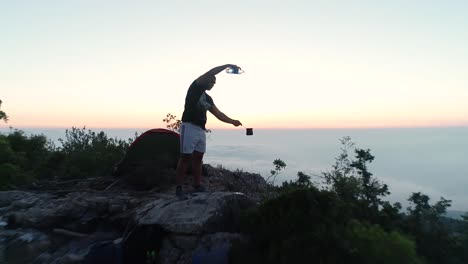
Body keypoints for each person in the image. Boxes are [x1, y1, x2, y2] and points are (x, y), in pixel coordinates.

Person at [175, 64, 243, 198]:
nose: (213, 83)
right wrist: (228, 66)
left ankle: (197, 185)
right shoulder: (195, 87)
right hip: (188, 126)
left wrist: (232, 121)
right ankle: (178, 187)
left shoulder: (208, 99)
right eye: (211, 81)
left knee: (198, 158)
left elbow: (219, 114)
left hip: (201, 130)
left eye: (214, 82)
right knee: (185, 158)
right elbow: (211, 72)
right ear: (205, 79)